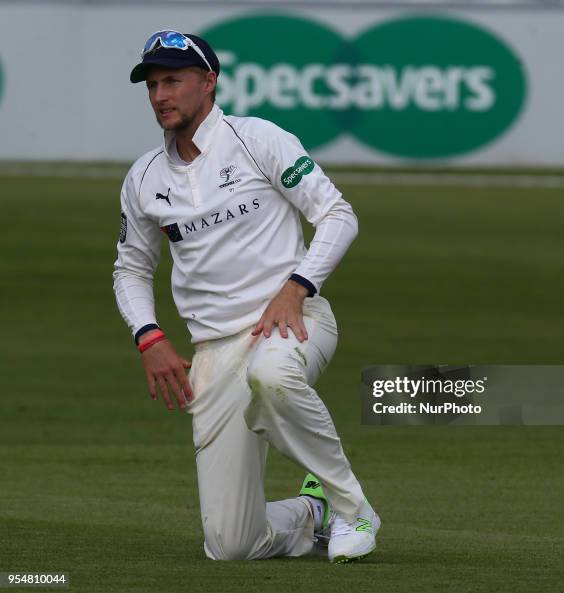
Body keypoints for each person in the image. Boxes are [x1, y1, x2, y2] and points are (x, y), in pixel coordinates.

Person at [113, 30, 381, 563]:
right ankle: (313, 514)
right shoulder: (143, 177)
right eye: (152, 85)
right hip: (213, 352)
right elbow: (131, 269)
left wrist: (296, 287)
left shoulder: (258, 139)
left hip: (292, 321)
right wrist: (149, 337)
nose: (160, 95)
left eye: (174, 80)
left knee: (271, 376)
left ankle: (354, 509)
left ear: (208, 82)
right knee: (232, 545)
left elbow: (337, 215)